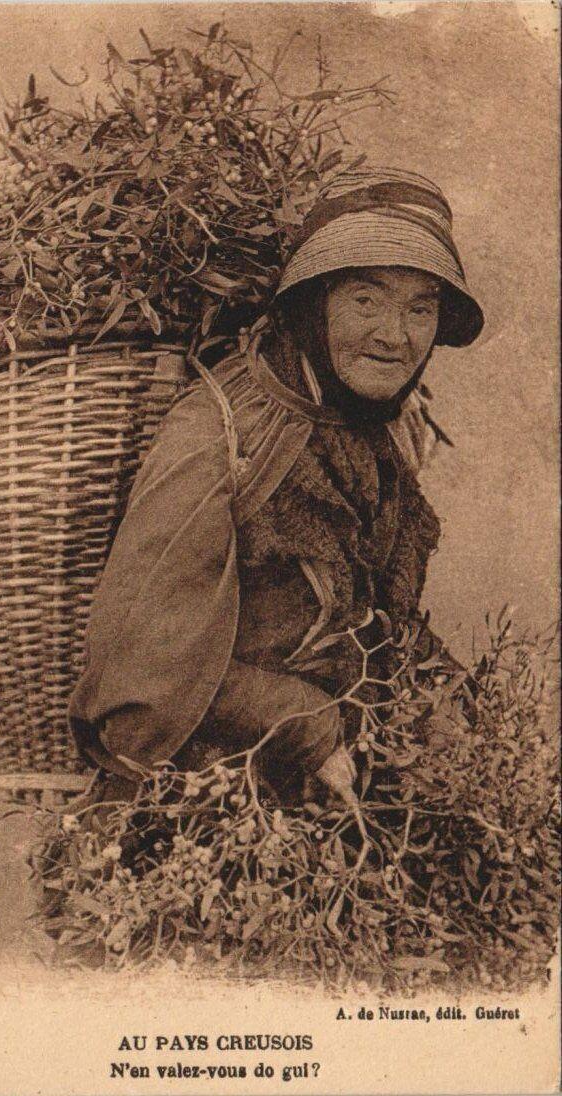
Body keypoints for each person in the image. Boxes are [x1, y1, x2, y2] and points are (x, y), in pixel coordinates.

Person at [68, 166, 484, 807]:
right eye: (365, 300)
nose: (394, 334)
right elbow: (138, 677)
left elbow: (372, 622)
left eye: (419, 308)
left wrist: (458, 702)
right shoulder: (221, 431)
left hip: (341, 796)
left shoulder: (377, 436)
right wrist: (307, 724)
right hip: (201, 805)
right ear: (313, 304)